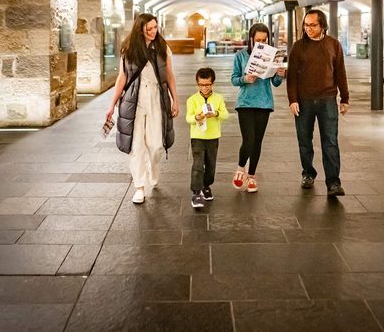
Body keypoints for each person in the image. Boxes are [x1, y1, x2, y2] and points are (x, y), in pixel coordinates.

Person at [105, 13, 179, 204]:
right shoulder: (128, 49)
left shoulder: (163, 48)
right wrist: (111, 105)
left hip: (156, 97)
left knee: (156, 145)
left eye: (156, 27)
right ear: (140, 29)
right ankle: (139, 186)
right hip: (133, 100)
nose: (154, 31)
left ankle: (153, 167)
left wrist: (175, 100)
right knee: (136, 146)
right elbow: (122, 78)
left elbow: (169, 76)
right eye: (150, 28)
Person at [286, 9, 349, 197]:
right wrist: (293, 100)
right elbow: (292, 77)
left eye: (312, 25)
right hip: (304, 102)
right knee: (304, 140)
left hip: (327, 100)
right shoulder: (298, 47)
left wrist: (344, 98)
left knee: (330, 141)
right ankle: (308, 173)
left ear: (323, 25)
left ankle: (333, 182)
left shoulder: (333, 45)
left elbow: (340, 73)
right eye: (306, 25)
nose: (308, 29)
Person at [231, 23, 285, 193]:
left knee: (258, 141)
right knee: (249, 139)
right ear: (251, 40)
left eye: (264, 40)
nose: (261, 43)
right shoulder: (241, 56)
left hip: (264, 102)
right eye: (257, 40)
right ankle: (240, 169)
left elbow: (275, 83)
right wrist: (245, 79)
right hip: (245, 102)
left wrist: (280, 75)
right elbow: (234, 79)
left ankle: (252, 176)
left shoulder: (272, 56)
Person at [186, 68, 229, 209]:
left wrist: (215, 114)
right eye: (201, 85)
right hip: (197, 137)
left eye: (207, 85)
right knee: (198, 165)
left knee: (211, 166)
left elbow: (225, 115)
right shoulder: (192, 100)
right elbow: (188, 118)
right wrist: (196, 117)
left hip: (213, 137)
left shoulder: (218, 98)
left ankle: (206, 185)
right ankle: (196, 192)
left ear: (212, 83)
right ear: (197, 84)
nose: (204, 88)